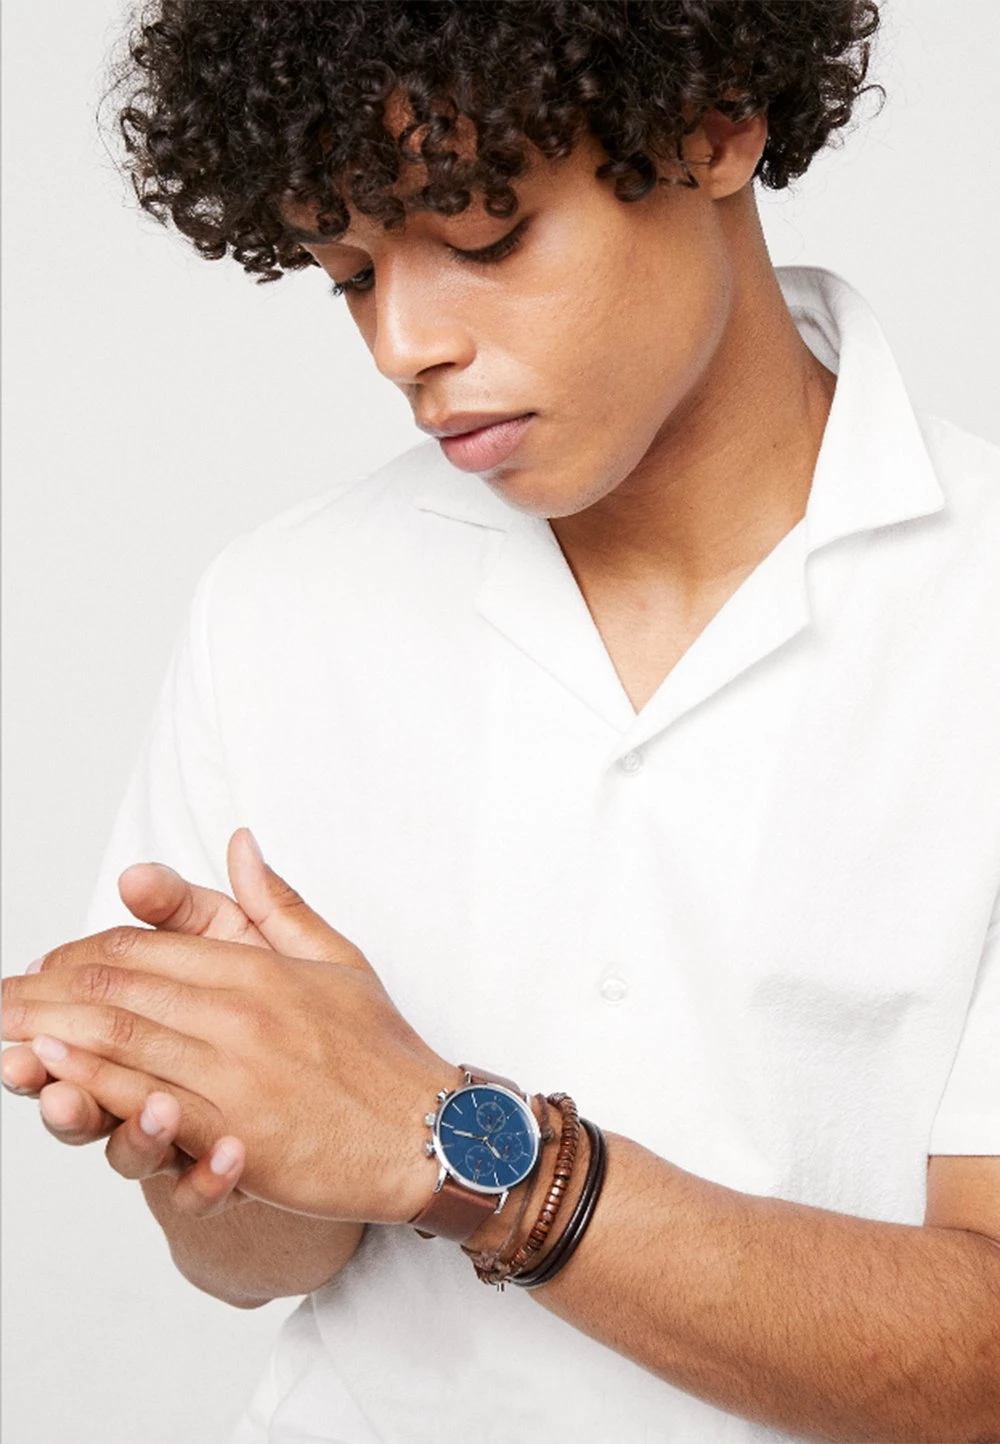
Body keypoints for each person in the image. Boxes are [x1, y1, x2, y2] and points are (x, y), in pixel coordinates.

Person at [3, 1, 999, 1439]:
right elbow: (254, 1267)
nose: (403, 343)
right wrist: (226, 1138)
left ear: (716, 124)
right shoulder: (278, 607)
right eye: (351, 273)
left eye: (481, 237)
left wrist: (453, 1150)